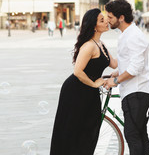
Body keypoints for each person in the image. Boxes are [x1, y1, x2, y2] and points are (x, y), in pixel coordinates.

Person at [50, 8, 118, 155]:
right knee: (73, 133)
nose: (106, 21)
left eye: (105, 18)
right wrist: (94, 83)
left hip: (89, 93)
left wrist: (135, 56)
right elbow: (78, 72)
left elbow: (114, 63)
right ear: (94, 26)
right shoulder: (89, 46)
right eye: (102, 20)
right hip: (76, 92)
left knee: (90, 131)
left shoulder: (101, 44)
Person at [104, 0, 149, 155]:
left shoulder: (133, 35)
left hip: (137, 92)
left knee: (132, 135)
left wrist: (116, 81)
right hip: (133, 92)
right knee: (139, 134)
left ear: (121, 18)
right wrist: (117, 71)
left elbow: (136, 67)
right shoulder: (127, 34)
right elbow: (130, 61)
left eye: (110, 17)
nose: (108, 20)